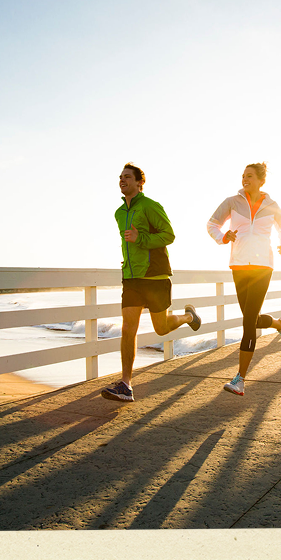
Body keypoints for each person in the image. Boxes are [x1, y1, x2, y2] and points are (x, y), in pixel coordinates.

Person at [101, 163, 201, 402]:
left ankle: (189, 317)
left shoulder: (150, 206)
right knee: (128, 329)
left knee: (161, 328)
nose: (122, 180)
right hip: (132, 278)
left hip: (155, 277)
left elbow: (169, 235)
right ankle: (126, 384)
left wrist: (140, 238)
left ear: (139, 182)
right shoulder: (119, 213)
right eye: (120, 177)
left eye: (127, 177)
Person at [207, 162, 281, 396]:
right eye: (243, 176)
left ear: (261, 180)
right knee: (250, 318)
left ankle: (240, 379)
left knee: (247, 323)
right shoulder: (231, 202)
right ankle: (278, 323)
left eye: (250, 176)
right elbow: (212, 224)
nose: (245, 179)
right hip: (238, 265)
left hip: (262, 266)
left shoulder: (271, 205)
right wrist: (223, 236)